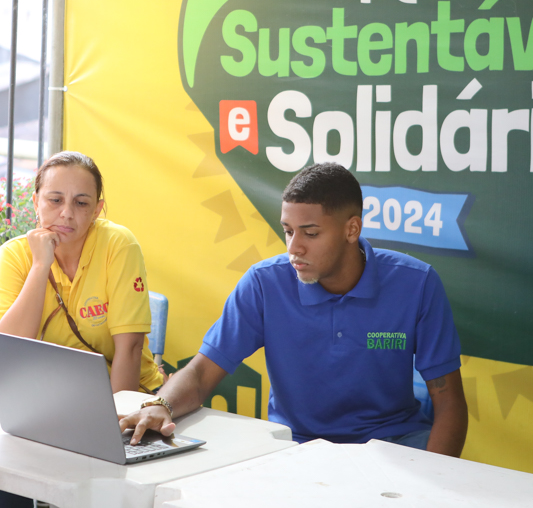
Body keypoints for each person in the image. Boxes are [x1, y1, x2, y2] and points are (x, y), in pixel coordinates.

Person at [120, 162, 468, 456]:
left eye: (311, 233)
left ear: (352, 229)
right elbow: (199, 374)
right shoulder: (264, 283)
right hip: (297, 447)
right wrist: (157, 406)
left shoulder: (417, 283)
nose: (294, 248)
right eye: (288, 231)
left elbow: (450, 405)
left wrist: (429, 488)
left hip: (395, 444)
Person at [0, 151, 162, 507]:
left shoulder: (119, 244)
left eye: (81, 203)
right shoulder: (15, 254)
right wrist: (40, 266)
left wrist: (112, 431)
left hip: (125, 402)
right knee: (0, 474)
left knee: (101, 484)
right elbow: (7, 351)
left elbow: (128, 349)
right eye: (55, 200)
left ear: (97, 210)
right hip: (50, 406)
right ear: (35, 201)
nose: (66, 213)